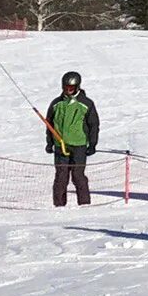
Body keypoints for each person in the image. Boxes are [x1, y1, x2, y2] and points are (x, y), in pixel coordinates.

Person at [44, 70, 99, 208]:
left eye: (71, 88)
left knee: (78, 175)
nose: (68, 90)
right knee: (61, 178)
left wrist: (92, 144)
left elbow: (94, 125)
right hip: (60, 144)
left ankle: (84, 204)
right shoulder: (57, 103)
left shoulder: (86, 104)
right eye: (66, 88)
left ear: (77, 87)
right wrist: (50, 143)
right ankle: (59, 205)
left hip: (78, 145)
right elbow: (49, 123)